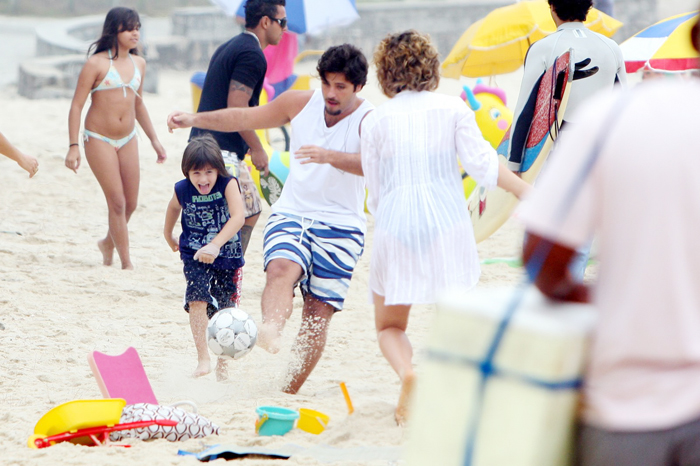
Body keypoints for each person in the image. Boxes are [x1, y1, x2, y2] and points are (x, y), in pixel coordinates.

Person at [520, 11, 700, 465]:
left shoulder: (612, 118)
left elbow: (543, 259)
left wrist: (605, 301)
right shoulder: (611, 53)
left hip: (627, 405)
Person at [168, 44, 374, 395]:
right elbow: (245, 117)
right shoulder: (300, 102)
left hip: (342, 223)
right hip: (294, 209)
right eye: (327, 83)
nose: (330, 93)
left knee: (317, 313)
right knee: (280, 268)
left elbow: (374, 163)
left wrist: (328, 156)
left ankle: (287, 392)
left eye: (341, 86)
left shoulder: (370, 119)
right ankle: (271, 329)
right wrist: (195, 119)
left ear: (358, 87)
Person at [361, 31, 531, 426]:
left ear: (385, 73)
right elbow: (485, 167)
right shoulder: (453, 109)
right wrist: (528, 191)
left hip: (396, 222)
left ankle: (409, 374)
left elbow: (375, 190)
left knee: (389, 325)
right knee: (455, 314)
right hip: (446, 223)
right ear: (430, 67)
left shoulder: (376, 120)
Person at [508, 0, 626, 281]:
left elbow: (525, 109)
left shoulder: (543, 48)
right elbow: (622, 107)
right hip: (597, 149)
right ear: (589, 7)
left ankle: (541, 287)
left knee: (545, 218)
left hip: (554, 146)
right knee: (581, 223)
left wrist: (514, 162)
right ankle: (571, 280)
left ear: (552, 7)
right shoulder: (612, 48)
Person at [65, 6, 166, 270]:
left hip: (128, 138)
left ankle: (108, 243)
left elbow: (139, 104)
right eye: (130, 28)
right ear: (115, 30)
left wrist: (154, 140)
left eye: (138, 28)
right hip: (98, 138)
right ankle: (127, 264)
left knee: (130, 203)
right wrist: (73, 146)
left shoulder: (139, 63)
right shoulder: (96, 63)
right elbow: (77, 105)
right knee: (117, 202)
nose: (136, 33)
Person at [190, 0, 287, 256]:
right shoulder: (251, 54)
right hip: (218, 151)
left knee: (251, 209)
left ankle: (231, 266)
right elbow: (237, 107)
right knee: (229, 218)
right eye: (282, 22)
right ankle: (222, 273)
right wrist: (257, 148)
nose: (284, 29)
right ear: (266, 22)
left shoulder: (231, 46)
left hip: (208, 144)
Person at [164, 134, 245, 380]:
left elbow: (238, 216)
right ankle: (203, 359)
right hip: (194, 253)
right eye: (196, 173)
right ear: (187, 172)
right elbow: (173, 208)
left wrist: (216, 245)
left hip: (227, 254)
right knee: (197, 299)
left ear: (218, 170)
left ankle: (223, 365)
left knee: (225, 311)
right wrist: (168, 235)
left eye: (209, 172)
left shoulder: (228, 183)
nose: (203, 179)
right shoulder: (182, 188)